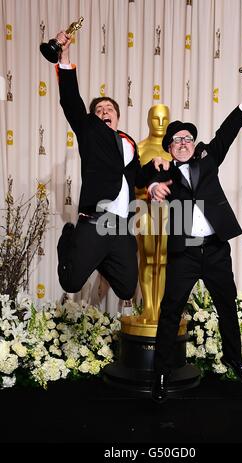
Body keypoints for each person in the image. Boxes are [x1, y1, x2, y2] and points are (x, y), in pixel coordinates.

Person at [150, 74, 242, 403]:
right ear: (170, 149)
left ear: (194, 143)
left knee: (227, 307)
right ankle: (160, 373)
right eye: (177, 140)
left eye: (188, 138)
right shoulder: (164, 170)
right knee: (170, 310)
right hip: (183, 253)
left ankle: (235, 359)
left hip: (216, 248)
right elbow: (147, 176)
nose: (184, 142)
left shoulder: (208, 157)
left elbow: (229, 129)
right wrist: (152, 187)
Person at [54, 31, 167, 300]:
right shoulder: (90, 132)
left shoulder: (129, 143)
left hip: (120, 228)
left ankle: (101, 255)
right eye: (100, 109)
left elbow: (139, 177)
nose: (105, 112)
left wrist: (155, 169)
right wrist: (64, 57)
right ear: (94, 117)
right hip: (95, 220)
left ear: (118, 117)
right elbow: (71, 101)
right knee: (71, 283)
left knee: (127, 288)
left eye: (110, 109)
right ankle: (68, 238)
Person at [137, 104, 171, 321]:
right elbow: (132, 180)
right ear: (148, 120)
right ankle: (148, 307)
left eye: (164, 119)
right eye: (156, 119)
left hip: (171, 211)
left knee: (164, 260)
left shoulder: (175, 149)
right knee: (148, 258)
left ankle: (160, 308)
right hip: (144, 208)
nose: (160, 123)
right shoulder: (139, 148)